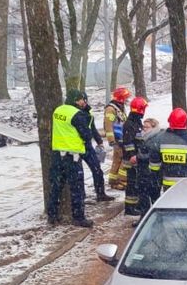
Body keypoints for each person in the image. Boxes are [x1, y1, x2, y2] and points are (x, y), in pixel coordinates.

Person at [50, 89, 103, 227]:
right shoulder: (77, 114)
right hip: (72, 156)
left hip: (57, 154)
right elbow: (86, 134)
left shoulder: (58, 110)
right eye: (81, 99)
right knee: (77, 188)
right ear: (75, 100)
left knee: (56, 186)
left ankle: (52, 215)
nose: (83, 102)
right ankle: (78, 217)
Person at [144, 108, 187, 193]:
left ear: (169, 121)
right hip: (186, 184)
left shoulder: (159, 139)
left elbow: (154, 166)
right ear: (184, 122)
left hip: (168, 186)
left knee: (170, 205)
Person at [76, 92, 115, 203]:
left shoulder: (88, 111)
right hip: (76, 146)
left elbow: (92, 128)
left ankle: (100, 193)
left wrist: (99, 141)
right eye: (80, 100)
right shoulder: (74, 113)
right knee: (79, 173)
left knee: (97, 169)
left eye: (84, 99)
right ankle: (81, 196)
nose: (83, 102)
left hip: (87, 145)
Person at [121, 96, 149, 216]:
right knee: (132, 184)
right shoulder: (130, 123)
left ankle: (134, 205)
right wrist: (132, 155)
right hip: (131, 159)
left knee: (135, 183)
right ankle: (130, 207)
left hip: (137, 158)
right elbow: (128, 142)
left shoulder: (136, 121)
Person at [104, 86, 131, 190]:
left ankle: (113, 181)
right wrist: (112, 141)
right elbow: (108, 125)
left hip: (121, 138)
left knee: (117, 160)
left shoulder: (119, 107)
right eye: (125, 98)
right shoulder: (111, 109)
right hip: (117, 139)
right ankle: (121, 181)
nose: (127, 100)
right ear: (121, 98)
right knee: (123, 160)